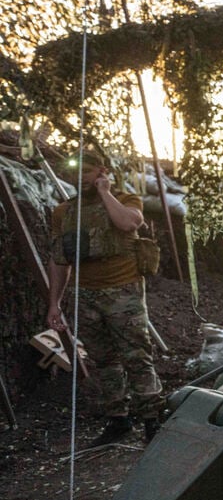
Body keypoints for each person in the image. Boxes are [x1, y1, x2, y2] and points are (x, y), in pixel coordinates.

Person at [46, 148, 163, 446]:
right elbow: (60, 261)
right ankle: (118, 419)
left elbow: (128, 224)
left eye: (86, 171)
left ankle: (152, 420)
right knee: (104, 360)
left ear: (101, 172)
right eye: (75, 171)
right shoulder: (64, 212)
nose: (79, 177)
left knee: (137, 356)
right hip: (86, 296)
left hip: (123, 291)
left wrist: (105, 192)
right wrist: (54, 303)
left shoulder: (125, 200)